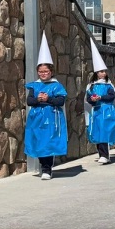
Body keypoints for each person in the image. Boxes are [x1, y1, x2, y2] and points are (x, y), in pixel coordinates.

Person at [25, 34, 68, 181]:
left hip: (51, 118)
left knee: (48, 143)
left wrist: (48, 98)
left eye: (46, 71)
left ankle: (47, 169)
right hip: (36, 118)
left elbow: (60, 100)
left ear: (51, 71)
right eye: (41, 71)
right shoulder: (34, 85)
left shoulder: (56, 85)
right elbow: (29, 101)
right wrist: (38, 99)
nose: (43, 74)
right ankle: (43, 166)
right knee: (38, 141)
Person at [84, 39, 115, 164]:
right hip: (97, 112)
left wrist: (101, 98)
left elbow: (111, 97)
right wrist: (92, 100)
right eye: (100, 71)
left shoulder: (109, 86)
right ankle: (101, 153)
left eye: (104, 71)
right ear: (96, 73)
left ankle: (106, 155)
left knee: (104, 133)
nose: (103, 73)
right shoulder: (91, 86)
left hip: (107, 111)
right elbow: (88, 98)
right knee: (98, 133)